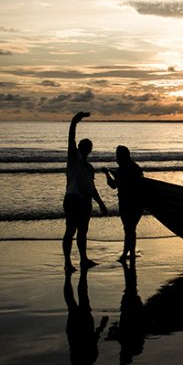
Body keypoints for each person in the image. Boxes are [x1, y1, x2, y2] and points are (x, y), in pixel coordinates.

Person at [63, 111, 107, 272]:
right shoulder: (74, 159)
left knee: (83, 232)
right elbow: (70, 140)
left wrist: (101, 203)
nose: (87, 148)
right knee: (70, 230)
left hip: (85, 201)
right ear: (80, 148)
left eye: (89, 147)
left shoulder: (89, 168)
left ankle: (83, 260)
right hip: (73, 199)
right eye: (84, 146)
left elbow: (92, 188)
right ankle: (68, 263)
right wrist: (74, 121)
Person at [103, 145, 143, 263]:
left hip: (127, 203)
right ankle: (130, 253)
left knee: (128, 229)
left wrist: (106, 173)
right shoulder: (135, 167)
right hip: (138, 203)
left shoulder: (122, 170)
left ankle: (127, 254)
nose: (116, 158)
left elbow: (113, 185)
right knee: (131, 229)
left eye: (117, 156)